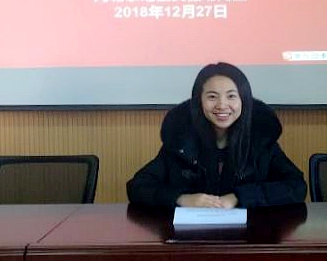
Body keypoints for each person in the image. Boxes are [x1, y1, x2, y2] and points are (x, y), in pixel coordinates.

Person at [127, 62, 307, 208]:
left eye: (231, 96)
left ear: (244, 101)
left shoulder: (261, 140)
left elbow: (296, 186)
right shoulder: (181, 141)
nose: (222, 105)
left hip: (251, 234)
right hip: (192, 236)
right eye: (212, 97)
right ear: (199, 101)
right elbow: (138, 186)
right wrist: (181, 198)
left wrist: (239, 197)